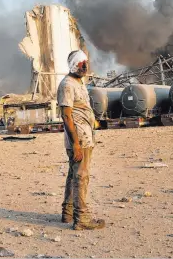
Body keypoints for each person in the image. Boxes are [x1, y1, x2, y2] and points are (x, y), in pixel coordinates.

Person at [57, 50, 105, 231]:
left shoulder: (79, 82)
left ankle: (68, 213)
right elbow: (67, 116)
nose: (84, 66)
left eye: (85, 62)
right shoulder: (67, 85)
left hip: (85, 135)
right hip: (79, 139)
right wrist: (76, 144)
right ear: (72, 65)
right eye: (80, 63)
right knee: (81, 177)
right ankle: (82, 218)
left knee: (73, 175)